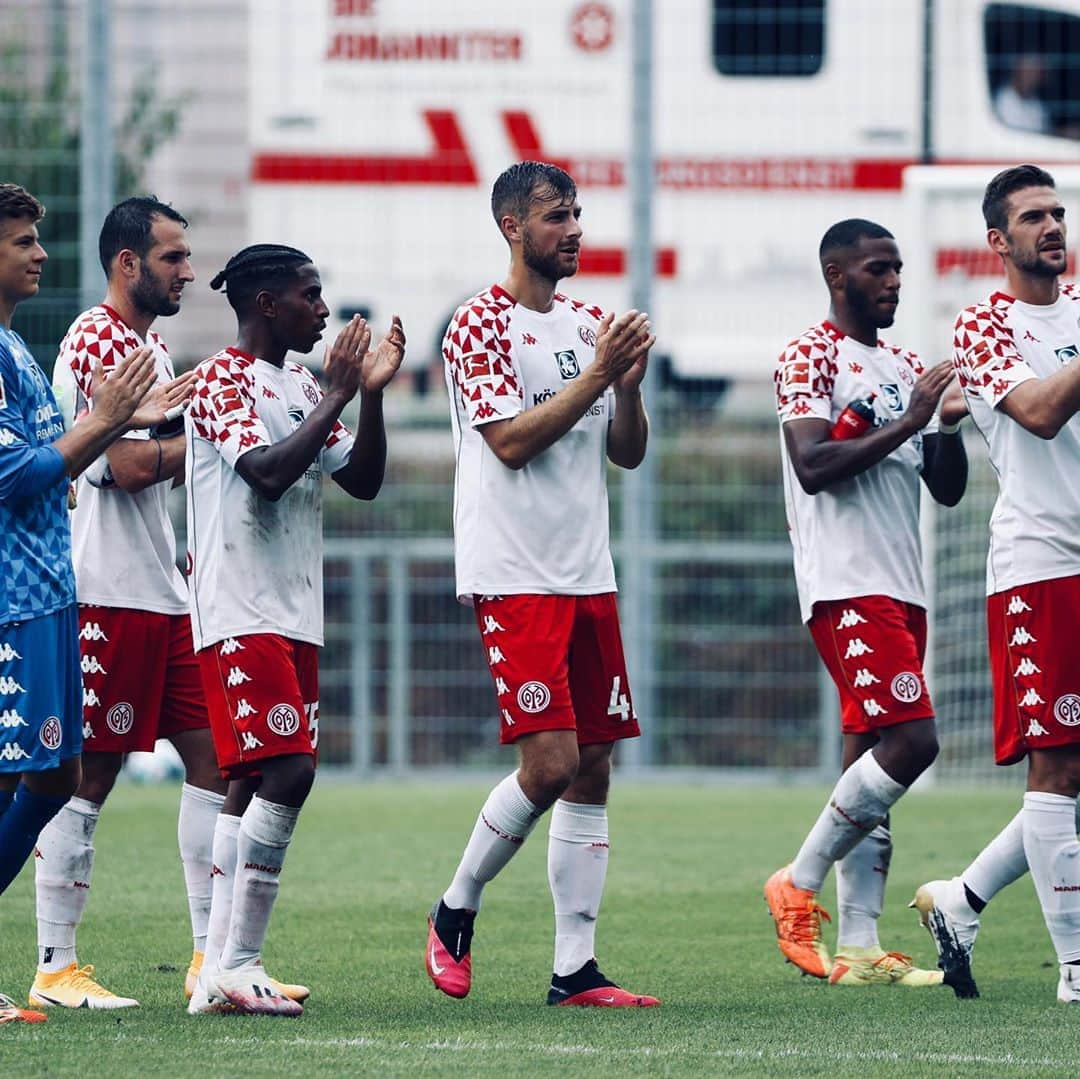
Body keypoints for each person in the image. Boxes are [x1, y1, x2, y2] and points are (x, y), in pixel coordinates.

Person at [426, 160, 659, 1009]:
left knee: (593, 764)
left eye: (578, 213)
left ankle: (576, 969)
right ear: (512, 227)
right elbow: (511, 442)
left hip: (586, 570)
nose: (576, 229)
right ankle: (455, 907)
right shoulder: (477, 325)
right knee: (551, 760)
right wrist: (598, 375)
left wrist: (626, 390)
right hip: (514, 572)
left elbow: (626, 451)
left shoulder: (591, 322)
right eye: (558, 216)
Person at [184, 244, 404, 1016]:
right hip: (239, 607)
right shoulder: (221, 379)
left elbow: (365, 481)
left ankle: (217, 973)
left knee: (250, 778)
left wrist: (365, 395)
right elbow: (268, 474)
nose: (323, 309)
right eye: (311, 295)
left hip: (293, 611)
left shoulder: (306, 383)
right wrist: (336, 395)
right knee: (290, 771)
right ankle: (236, 962)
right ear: (267, 303)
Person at [764, 218, 968, 989]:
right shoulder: (807, 355)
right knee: (914, 743)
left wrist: (942, 428)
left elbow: (943, 488)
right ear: (836, 273)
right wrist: (910, 418)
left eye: (899, 269)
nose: (894, 282)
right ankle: (798, 879)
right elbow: (813, 464)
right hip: (847, 583)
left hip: (902, 583)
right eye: (879, 269)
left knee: (868, 762)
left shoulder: (906, 364)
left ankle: (857, 944)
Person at [0, 183, 179, 1020]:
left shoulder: (22, 351)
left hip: (72, 590)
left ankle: (219, 960)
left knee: (53, 775)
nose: (40, 254)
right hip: (43, 596)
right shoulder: (76, 342)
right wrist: (117, 421)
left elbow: (52, 460)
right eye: (24, 241)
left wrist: (119, 421)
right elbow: (28, 472)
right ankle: (53, 961)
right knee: (53, 777)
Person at [912, 164, 1080, 1005]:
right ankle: (1076, 972)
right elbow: (1043, 413)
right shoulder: (984, 325)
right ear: (998, 241)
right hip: (1040, 567)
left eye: (1057, 212)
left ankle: (961, 898)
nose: (1052, 226)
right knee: (1054, 770)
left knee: (1075, 776)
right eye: (1033, 217)